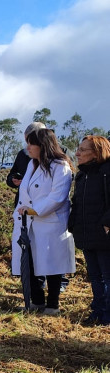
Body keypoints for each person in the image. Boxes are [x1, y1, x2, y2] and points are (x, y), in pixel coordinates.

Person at [11, 128, 76, 314]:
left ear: (43, 145)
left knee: (52, 264)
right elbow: (25, 193)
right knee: (30, 261)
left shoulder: (61, 166)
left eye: (32, 143)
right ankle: (37, 301)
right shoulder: (32, 165)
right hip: (29, 221)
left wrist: (35, 210)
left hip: (50, 222)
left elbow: (58, 197)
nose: (28, 147)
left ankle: (53, 305)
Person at [69, 135, 110, 325]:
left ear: (96, 153)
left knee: (107, 275)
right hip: (86, 233)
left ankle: (107, 314)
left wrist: (106, 223)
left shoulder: (107, 171)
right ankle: (98, 311)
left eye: (83, 150)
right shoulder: (82, 174)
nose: (77, 153)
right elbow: (77, 203)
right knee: (94, 276)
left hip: (104, 235)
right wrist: (73, 224)